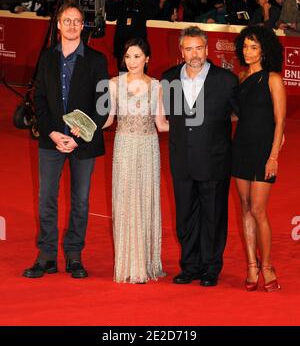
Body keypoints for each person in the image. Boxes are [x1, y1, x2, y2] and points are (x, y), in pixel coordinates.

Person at [23, 2, 109, 279]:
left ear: (83, 27)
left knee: (80, 201)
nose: (72, 25)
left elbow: (102, 104)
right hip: (51, 140)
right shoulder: (47, 58)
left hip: (82, 143)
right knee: (46, 198)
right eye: (67, 21)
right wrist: (51, 132)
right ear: (58, 25)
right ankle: (46, 255)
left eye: (77, 21)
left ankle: (74, 255)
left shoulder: (97, 60)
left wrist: (81, 135)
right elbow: (40, 99)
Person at [162, 26, 238, 287]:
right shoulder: (169, 78)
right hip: (182, 160)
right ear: (181, 51)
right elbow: (171, 117)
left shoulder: (226, 80)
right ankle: (190, 265)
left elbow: (239, 114)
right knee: (185, 215)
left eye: (199, 48)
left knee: (213, 215)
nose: (194, 54)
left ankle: (210, 267)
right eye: (189, 48)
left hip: (215, 159)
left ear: (207, 49)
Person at [103, 38, 169, 283]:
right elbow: (109, 119)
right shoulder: (113, 84)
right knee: (126, 201)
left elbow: (161, 125)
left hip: (148, 148)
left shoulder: (157, 86)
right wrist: (85, 126)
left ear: (147, 59)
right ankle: (129, 263)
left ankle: (145, 262)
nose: (132, 62)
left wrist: (197, 128)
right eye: (128, 57)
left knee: (145, 200)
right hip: (124, 147)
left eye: (137, 56)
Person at [232, 26, 286, 292]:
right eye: (245, 46)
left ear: (265, 49)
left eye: (254, 47)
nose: (248, 51)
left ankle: (267, 265)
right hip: (240, 147)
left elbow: (280, 122)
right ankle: (251, 265)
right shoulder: (241, 78)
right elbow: (237, 115)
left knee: (258, 209)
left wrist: (273, 156)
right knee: (244, 206)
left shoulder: (273, 79)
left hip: (264, 150)